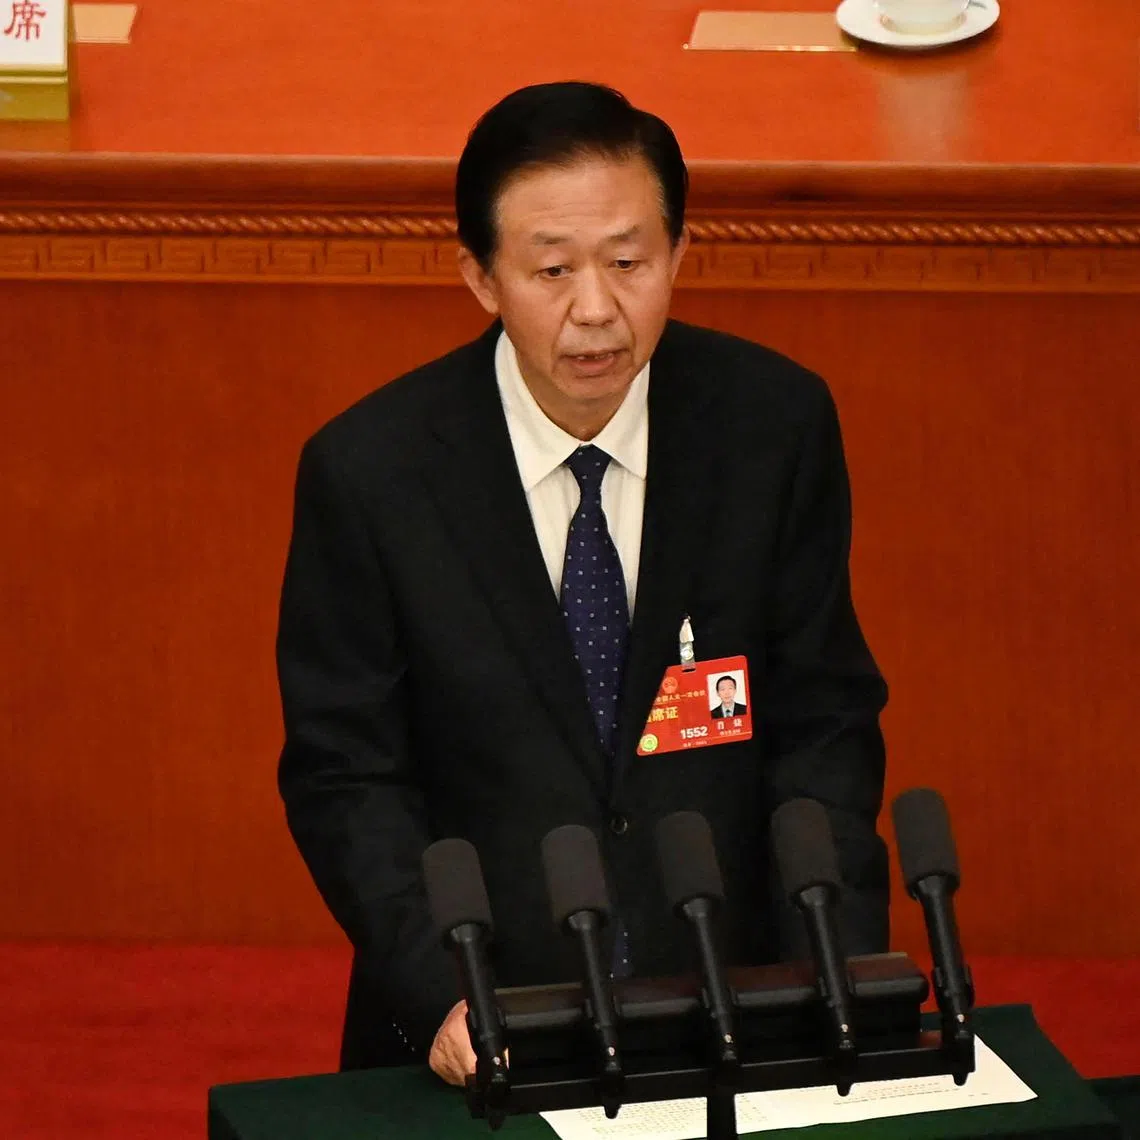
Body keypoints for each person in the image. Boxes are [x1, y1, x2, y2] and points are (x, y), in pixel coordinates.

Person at [276, 81, 889, 1087]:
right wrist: (436, 988)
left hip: (730, 1003)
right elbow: (348, 776)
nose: (596, 310)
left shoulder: (772, 427)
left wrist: (839, 953)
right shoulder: (372, 473)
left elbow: (824, 718)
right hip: (482, 1023)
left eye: (629, 261)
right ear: (480, 278)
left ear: (680, 252)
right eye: (552, 269)